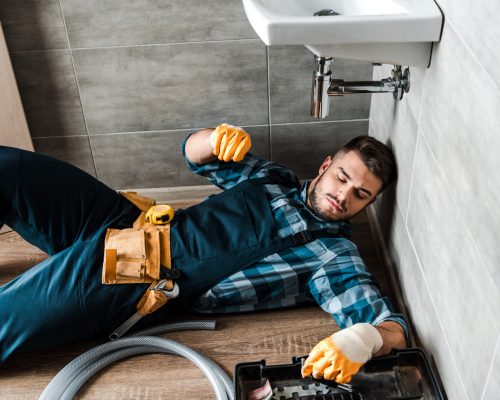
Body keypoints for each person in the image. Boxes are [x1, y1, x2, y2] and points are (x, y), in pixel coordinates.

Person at [0, 124, 407, 384]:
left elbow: (391, 326)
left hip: (137, 275)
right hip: (129, 220)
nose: (343, 196)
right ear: (325, 165)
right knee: (8, 168)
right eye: (342, 177)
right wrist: (213, 137)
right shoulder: (273, 178)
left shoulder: (333, 255)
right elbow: (194, 154)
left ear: (368, 205)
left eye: (360, 194)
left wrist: (366, 339)